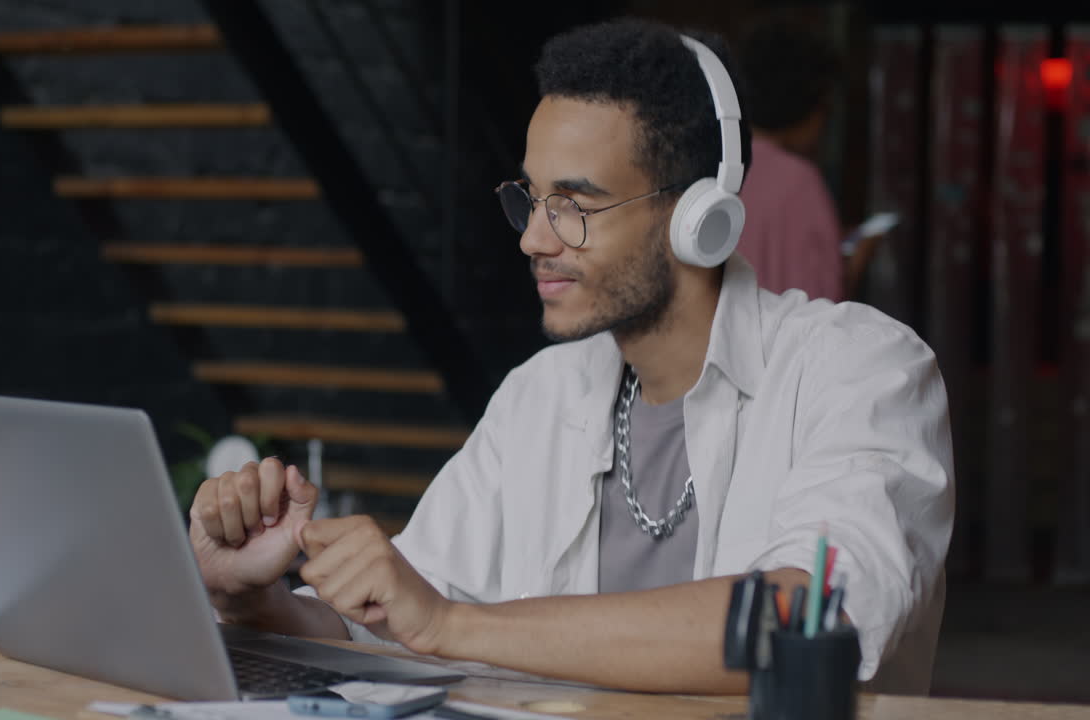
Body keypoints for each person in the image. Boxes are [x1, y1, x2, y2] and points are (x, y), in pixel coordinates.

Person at [189, 18, 953, 695]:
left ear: (698, 218)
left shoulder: (862, 371)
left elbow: (808, 618)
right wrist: (254, 601)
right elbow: (390, 624)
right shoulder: (541, 397)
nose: (532, 238)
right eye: (531, 198)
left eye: (575, 206)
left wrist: (452, 624)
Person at [732, 16, 847, 301]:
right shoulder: (799, 183)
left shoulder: (708, 162)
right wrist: (853, 265)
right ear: (809, 103)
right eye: (827, 107)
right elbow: (821, 310)